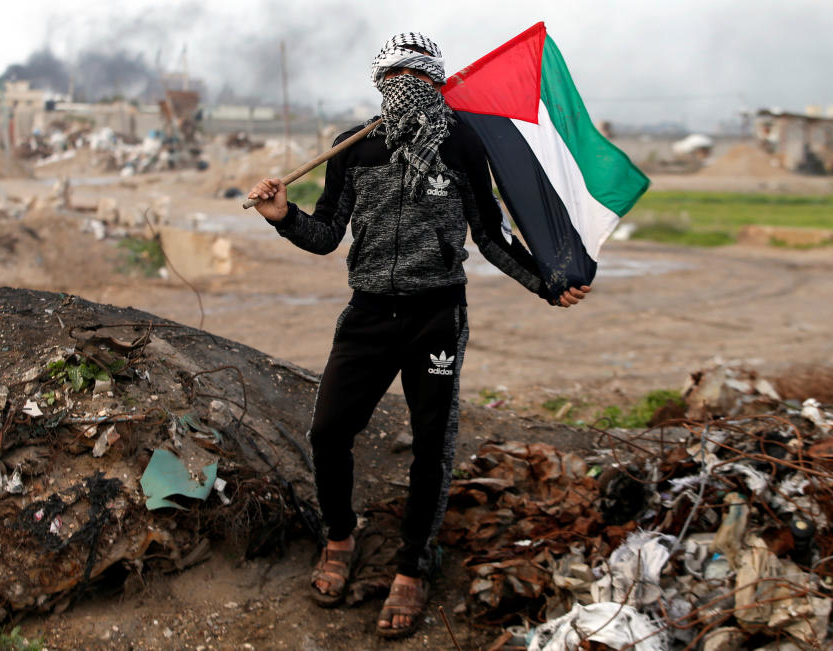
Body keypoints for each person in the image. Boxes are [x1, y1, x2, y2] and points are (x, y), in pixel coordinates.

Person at [249, 32, 589, 639]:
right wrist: (284, 218)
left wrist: (546, 282)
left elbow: (489, 235)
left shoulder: (462, 144)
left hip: (436, 314)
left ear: (434, 80)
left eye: (415, 75)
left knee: (433, 442)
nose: (403, 87)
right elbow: (327, 234)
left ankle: (413, 564)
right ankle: (339, 536)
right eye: (392, 77)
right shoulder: (354, 146)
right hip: (369, 314)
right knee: (328, 431)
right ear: (380, 84)